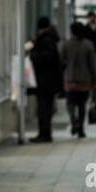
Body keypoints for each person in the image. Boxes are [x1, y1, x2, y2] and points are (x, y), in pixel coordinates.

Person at [28, 15, 62, 143]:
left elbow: (46, 57)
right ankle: (44, 133)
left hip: (45, 81)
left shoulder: (46, 40)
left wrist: (33, 54)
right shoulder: (49, 39)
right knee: (45, 109)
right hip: (48, 81)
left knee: (43, 109)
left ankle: (44, 134)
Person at [61, 21, 96, 138]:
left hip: (70, 78)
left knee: (70, 103)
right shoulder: (88, 45)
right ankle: (81, 129)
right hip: (85, 80)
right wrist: (95, 80)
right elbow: (93, 65)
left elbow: (61, 60)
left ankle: (73, 119)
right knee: (82, 105)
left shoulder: (66, 44)